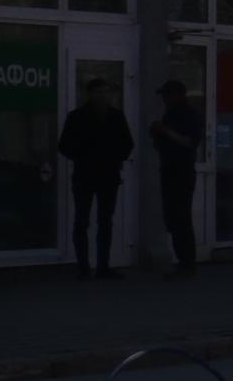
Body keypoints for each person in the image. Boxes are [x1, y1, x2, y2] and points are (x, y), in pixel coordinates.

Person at [57, 80, 137, 279]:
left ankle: (103, 265)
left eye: (106, 92)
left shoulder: (116, 117)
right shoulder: (77, 117)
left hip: (108, 176)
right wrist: (84, 155)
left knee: (105, 221)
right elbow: (64, 145)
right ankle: (83, 266)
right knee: (82, 221)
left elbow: (128, 143)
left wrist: (114, 157)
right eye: (98, 92)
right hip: (85, 175)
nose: (103, 96)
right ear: (89, 94)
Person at [150, 79, 205, 279]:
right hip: (169, 169)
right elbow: (162, 143)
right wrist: (158, 135)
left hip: (182, 172)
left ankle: (187, 263)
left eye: (167, 95)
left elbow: (190, 142)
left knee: (181, 217)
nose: (164, 99)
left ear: (177, 95)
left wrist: (165, 132)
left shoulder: (189, 115)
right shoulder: (170, 115)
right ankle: (183, 261)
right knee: (173, 218)